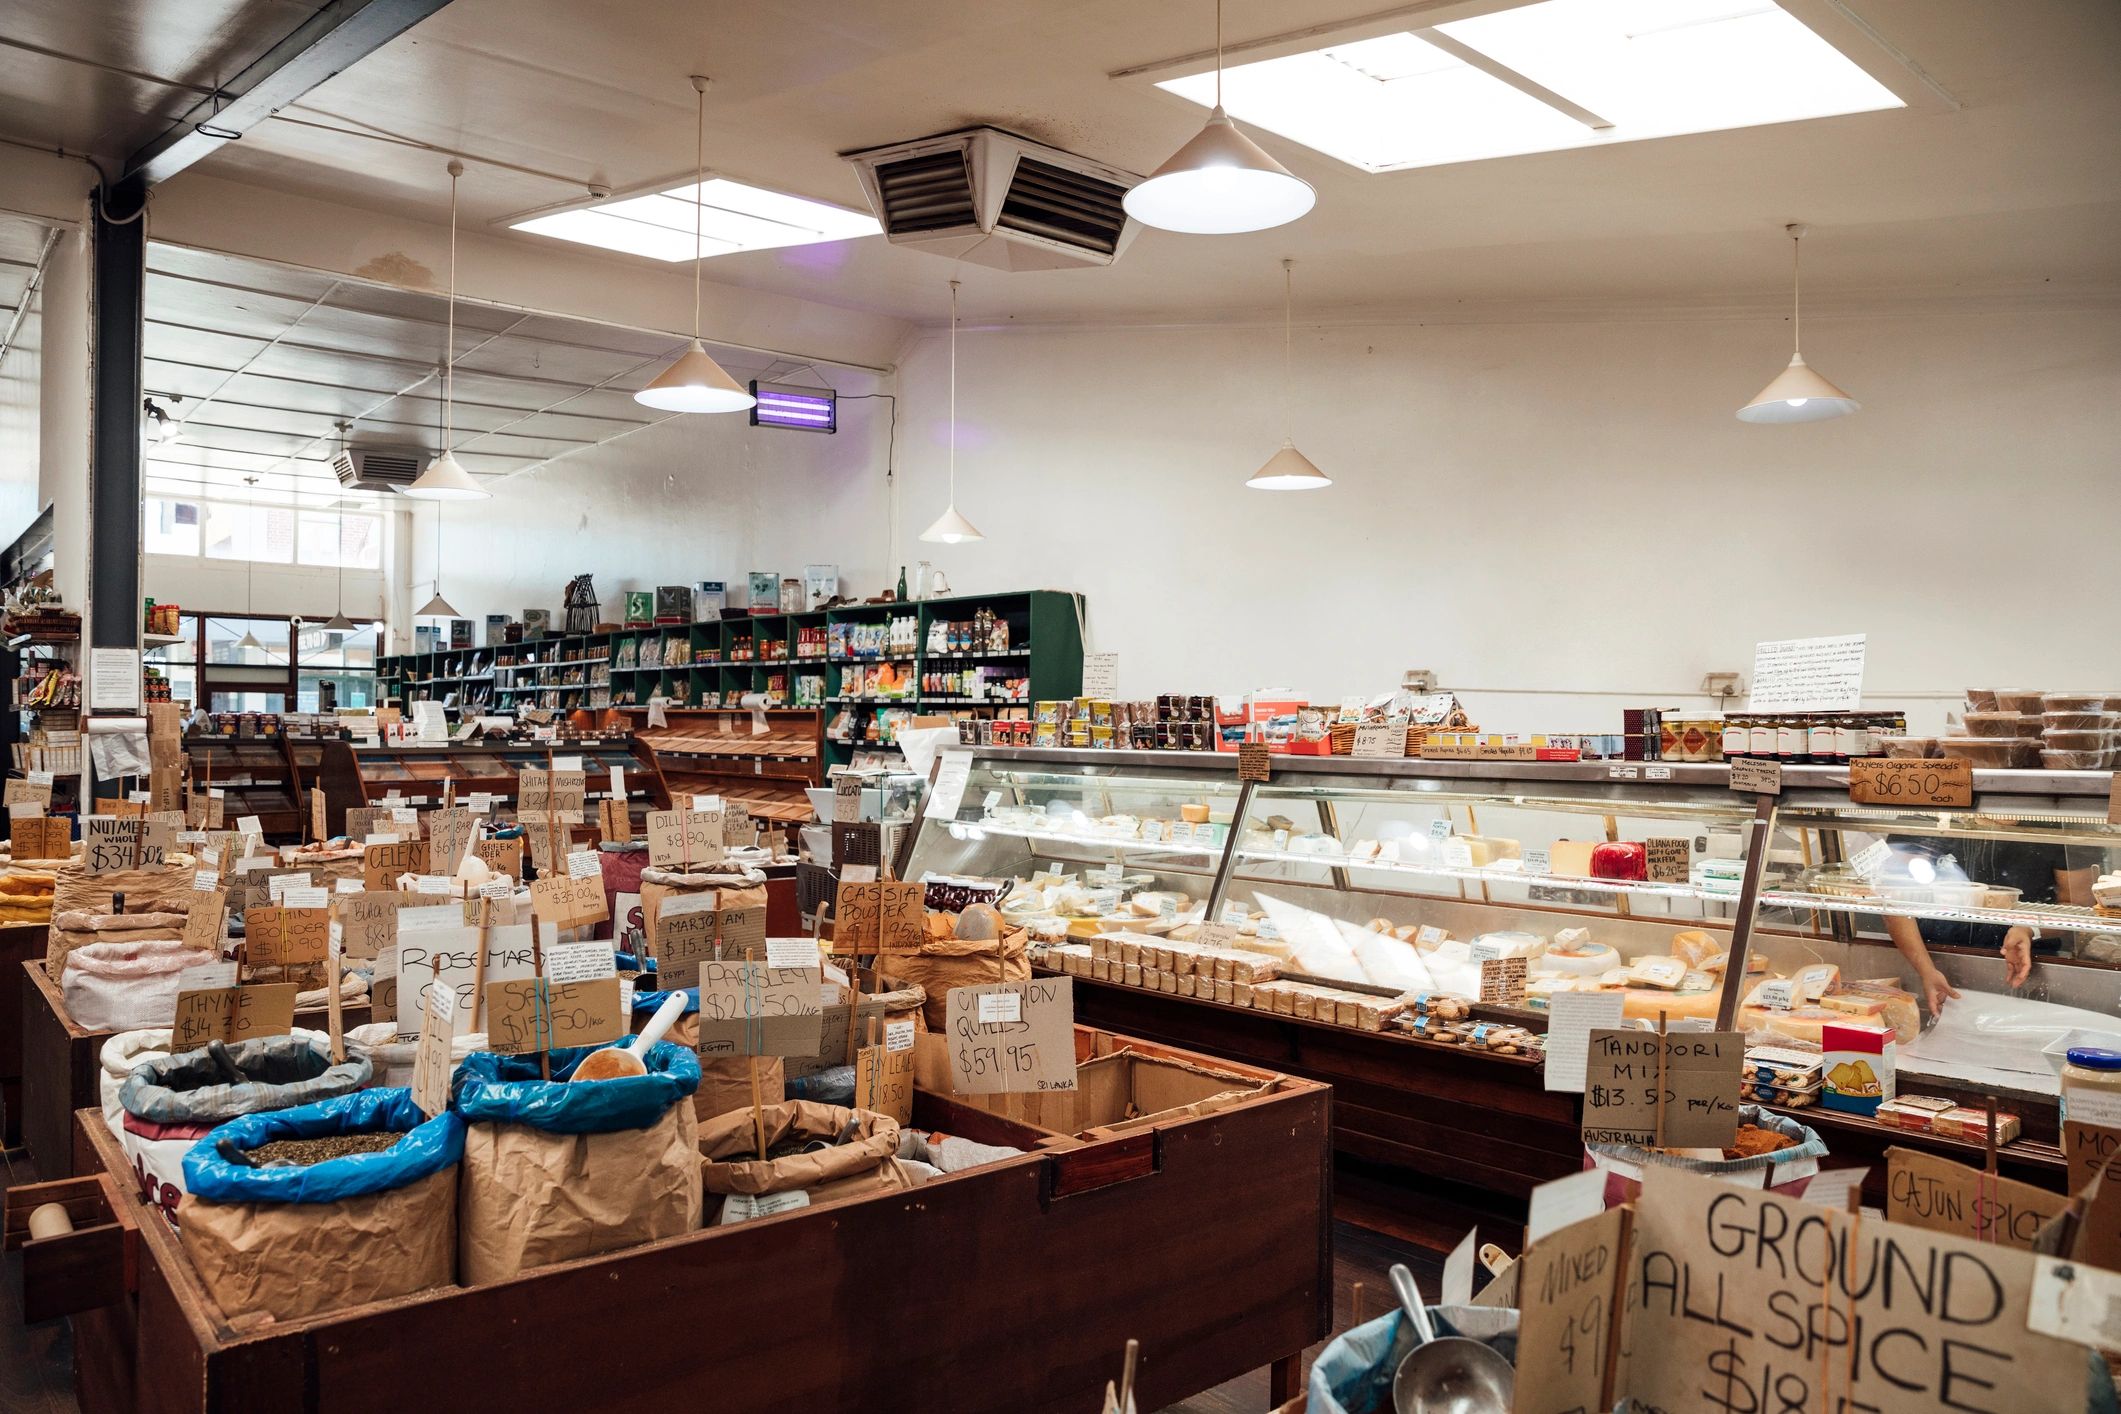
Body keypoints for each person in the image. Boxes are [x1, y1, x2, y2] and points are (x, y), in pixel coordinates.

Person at [1882, 834, 2096, 1015]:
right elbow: (1893, 899)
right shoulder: (1931, 806)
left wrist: (2029, 928)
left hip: (2027, 979)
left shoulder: (2053, 818)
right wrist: (1926, 970)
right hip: (1934, 967)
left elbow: (2079, 905)